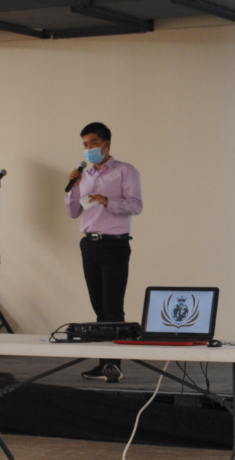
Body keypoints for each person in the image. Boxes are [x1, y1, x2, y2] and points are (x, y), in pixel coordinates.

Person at [65, 122, 142, 383]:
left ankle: (113, 365)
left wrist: (107, 200)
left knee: (112, 307)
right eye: (85, 145)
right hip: (89, 244)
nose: (89, 149)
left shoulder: (125, 171)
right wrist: (73, 188)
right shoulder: (83, 176)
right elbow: (73, 212)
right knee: (98, 307)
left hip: (115, 244)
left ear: (107, 144)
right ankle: (104, 363)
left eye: (94, 144)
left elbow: (136, 205)